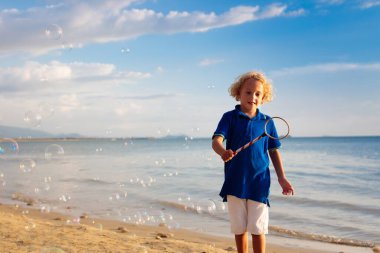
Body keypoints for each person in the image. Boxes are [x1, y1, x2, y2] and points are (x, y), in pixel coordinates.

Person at [212, 71, 294, 253]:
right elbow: (216, 141)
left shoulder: (267, 122)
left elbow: (273, 151)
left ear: (263, 97)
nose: (252, 97)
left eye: (257, 94)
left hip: (259, 182)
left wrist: (282, 177)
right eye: (248, 92)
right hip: (235, 181)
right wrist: (223, 152)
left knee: (258, 229)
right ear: (238, 93)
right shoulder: (229, 117)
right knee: (239, 228)